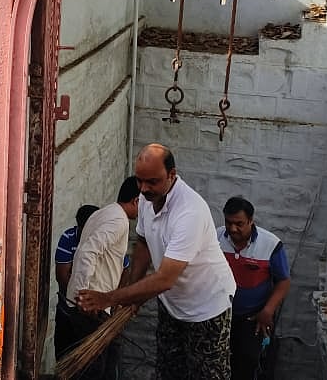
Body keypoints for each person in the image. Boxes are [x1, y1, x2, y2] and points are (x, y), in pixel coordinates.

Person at [78, 143, 236, 380]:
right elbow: (143, 244)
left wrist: (109, 298)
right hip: (172, 307)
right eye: (140, 181)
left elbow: (165, 278)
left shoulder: (189, 212)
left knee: (207, 375)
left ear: (172, 175)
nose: (144, 188)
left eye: (152, 181)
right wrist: (132, 294)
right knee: (167, 372)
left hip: (207, 308)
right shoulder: (145, 202)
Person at [59, 176, 142, 379]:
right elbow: (87, 252)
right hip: (92, 307)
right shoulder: (118, 220)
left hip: (94, 305)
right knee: (95, 371)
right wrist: (84, 296)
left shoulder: (105, 213)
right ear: (136, 201)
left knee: (104, 365)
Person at [218, 196, 291, 380]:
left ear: (251, 221)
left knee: (247, 364)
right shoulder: (214, 238)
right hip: (218, 316)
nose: (233, 229)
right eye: (229, 222)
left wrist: (267, 311)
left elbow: (283, 281)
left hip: (253, 318)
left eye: (239, 224)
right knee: (217, 363)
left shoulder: (271, 244)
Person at [54, 204, 99, 358]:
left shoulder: (102, 238)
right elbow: (62, 277)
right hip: (70, 307)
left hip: (97, 308)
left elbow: (124, 266)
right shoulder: (69, 238)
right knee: (65, 353)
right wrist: (81, 302)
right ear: (80, 227)